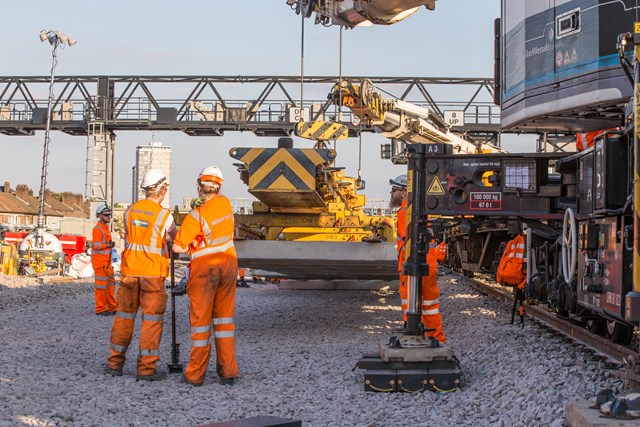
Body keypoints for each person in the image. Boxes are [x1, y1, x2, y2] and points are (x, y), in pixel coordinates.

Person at [105, 168, 177, 381]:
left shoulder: (130, 211)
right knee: (151, 322)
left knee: (124, 318)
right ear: (162, 190)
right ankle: (146, 370)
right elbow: (176, 240)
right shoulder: (164, 215)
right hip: (152, 276)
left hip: (129, 273)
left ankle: (115, 364)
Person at [172, 165, 239, 386]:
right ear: (218, 186)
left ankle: (195, 375)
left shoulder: (195, 215)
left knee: (201, 325)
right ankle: (228, 373)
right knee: (224, 322)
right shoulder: (226, 204)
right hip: (228, 264)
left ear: (199, 186)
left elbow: (178, 247)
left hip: (205, 270)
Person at [387, 174, 446, 343]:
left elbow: (408, 240)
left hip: (412, 267)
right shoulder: (419, 209)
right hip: (428, 265)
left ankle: (412, 336)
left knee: (409, 302)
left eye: (395, 190)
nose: (392, 193)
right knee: (430, 306)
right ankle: (436, 340)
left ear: (405, 192)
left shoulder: (406, 211)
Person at [91, 204, 116, 316]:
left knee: (110, 287)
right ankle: (100, 309)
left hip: (107, 263)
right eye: (106, 215)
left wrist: (108, 245)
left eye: (109, 215)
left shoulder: (105, 228)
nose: (108, 217)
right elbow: (96, 245)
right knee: (101, 288)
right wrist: (108, 245)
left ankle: (111, 307)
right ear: (100, 215)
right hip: (101, 264)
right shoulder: (98, 229)